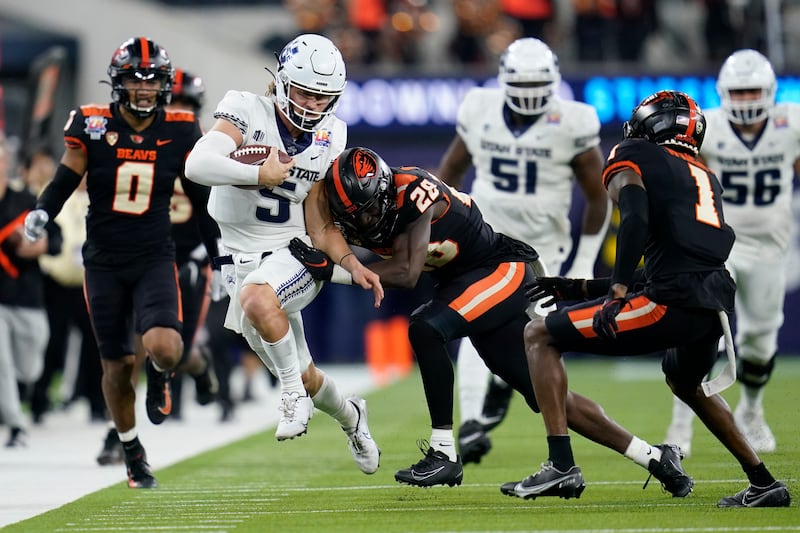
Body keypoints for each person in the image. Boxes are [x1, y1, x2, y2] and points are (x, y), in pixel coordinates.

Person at [292, 145, 692, 496]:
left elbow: (408, 273)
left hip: (497, 270)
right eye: (354, 214)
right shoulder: (337, 202)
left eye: (371, 208)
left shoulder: (413, 189)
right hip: (462, 281)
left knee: (425, 329)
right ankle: (657, 459)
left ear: (384, 187)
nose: (365, 220)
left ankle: (444, 451)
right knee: (550, 398)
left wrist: (335, 271)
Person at [511, 90, 790, 507]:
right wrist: (583, 287)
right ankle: (765, 483)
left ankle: (561, 464)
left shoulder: (633, 152)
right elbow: (674, 262)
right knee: (687, 383)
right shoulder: (703, 176)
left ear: (649, 124)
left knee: (538, 335)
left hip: (670, 302)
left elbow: (635, 215)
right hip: (711, 305)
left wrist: (619, 290)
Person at [24, 37, 220, 488]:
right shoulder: (91, 124)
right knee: (114, 365)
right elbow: (64, 176)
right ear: (119, 82)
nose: (146, 89)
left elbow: (202, 199)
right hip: (104, 261)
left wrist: (219, 259)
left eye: (153, 81)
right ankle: (132, 450)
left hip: (155, 255)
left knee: (167, 346)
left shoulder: (183, 129)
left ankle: (160, 374)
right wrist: (41, 210)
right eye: (136, 78)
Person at [184, 33, 382, 475]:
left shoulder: (333, 135)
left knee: (259, 300)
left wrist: (350, 262)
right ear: (282, 83)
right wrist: (256, 172)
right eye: (306, 92)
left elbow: (319, 219)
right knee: (306, 372)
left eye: (322, 96)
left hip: (292, 251)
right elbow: (196, 165)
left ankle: (290, 396)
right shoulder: (245, 108)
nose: (313, 105)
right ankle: (351, 417)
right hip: (238, 255)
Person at [436, 36, 609, 464]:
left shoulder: (573, 121)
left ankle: (501, 393)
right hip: (487, 242)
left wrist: (585, 262)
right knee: (474, 319)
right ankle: (473, 421)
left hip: (543, 250)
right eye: (522, 85)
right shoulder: (479, 109)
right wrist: (449, 224)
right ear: (504, 81)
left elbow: (598, 195)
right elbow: (450, 172)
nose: (530, 95)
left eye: (538, 86)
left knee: (540, 337)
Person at [664, 49, 798, 456]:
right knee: (699, 330)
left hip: (772, 245)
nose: (745, 100)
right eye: (738, 92)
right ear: (724, 93)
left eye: (752, 91)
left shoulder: (790, 123)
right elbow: (687, 179)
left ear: (770, 91)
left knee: (759, 340)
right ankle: (679, 426)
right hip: (719, 243)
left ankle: (752, 411)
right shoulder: (709, 127)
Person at [0, 141, 61, 447]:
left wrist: (41, 244)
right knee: (1, 361)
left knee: (28, 367)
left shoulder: (25, 200)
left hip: (27, 298)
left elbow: (56, 238)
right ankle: (14, 424)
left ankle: (21, 396)